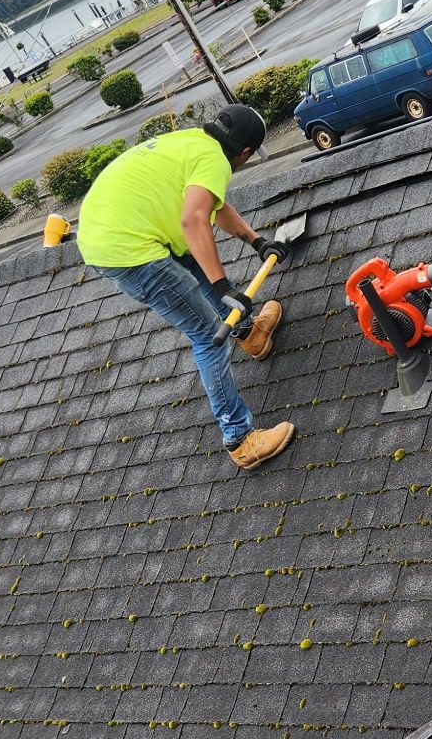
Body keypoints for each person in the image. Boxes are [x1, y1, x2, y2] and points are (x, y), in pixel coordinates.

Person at [76, 103, 296, 471]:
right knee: (207, 333)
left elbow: (212, 207)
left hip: (115, 233)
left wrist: (255, 240)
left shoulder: (193, 142)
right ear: (244, 152)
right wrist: (223, 285)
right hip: (129, 251)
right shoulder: (214, 160)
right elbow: (195, 219)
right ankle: (239, 439)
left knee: (192, 257)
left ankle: (249, 334)